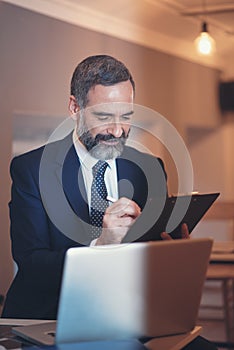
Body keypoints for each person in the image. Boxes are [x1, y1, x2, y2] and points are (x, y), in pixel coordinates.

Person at [2, 55, 217, 349]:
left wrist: (171, 251)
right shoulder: (31, 169)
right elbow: (31, 262)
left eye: (126, 116)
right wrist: (100, 245)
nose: (117, 131)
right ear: (75, 108)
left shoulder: (149, 168)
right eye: (104, 117)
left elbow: (147, 261)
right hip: (49, 318)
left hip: (128, 315)